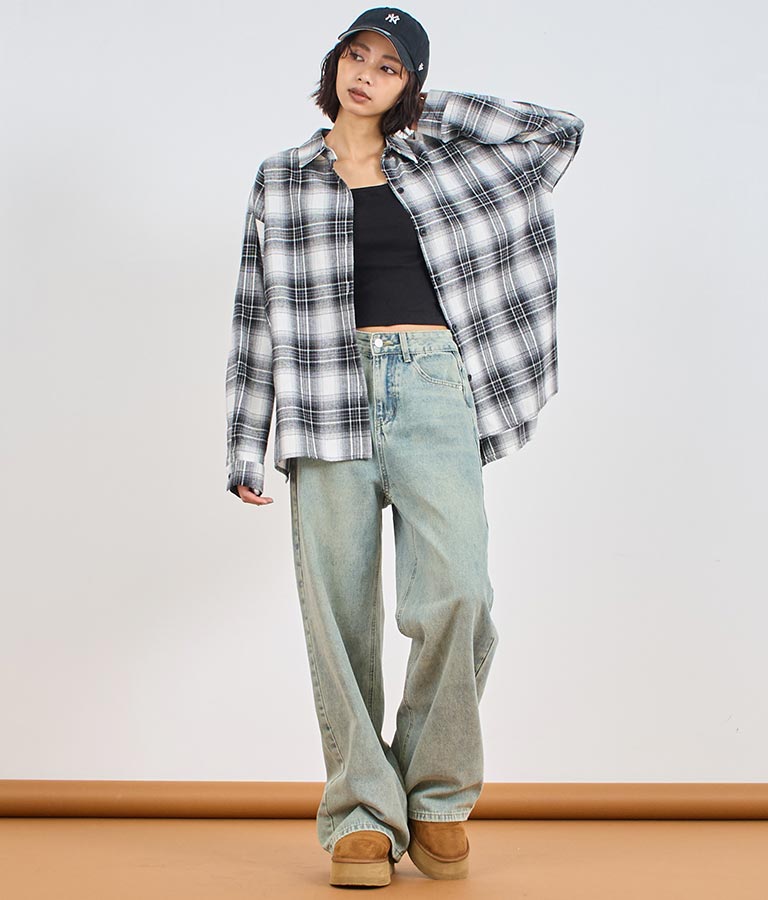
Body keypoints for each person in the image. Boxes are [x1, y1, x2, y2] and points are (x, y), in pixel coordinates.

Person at [225, 6, 585, 888]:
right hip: (323, 394)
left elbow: (557, 134)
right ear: (333, 63)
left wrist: (423, 105)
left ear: (409, 85)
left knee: (459, 593)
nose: (365, 75)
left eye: (389, 67)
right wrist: (245, 440)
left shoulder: (442, 160)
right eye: (356, 56)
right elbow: (254, 312)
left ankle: (435, 797)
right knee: (339, 615)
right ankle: (359, 813)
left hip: (431, 385)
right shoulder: (280, 178)